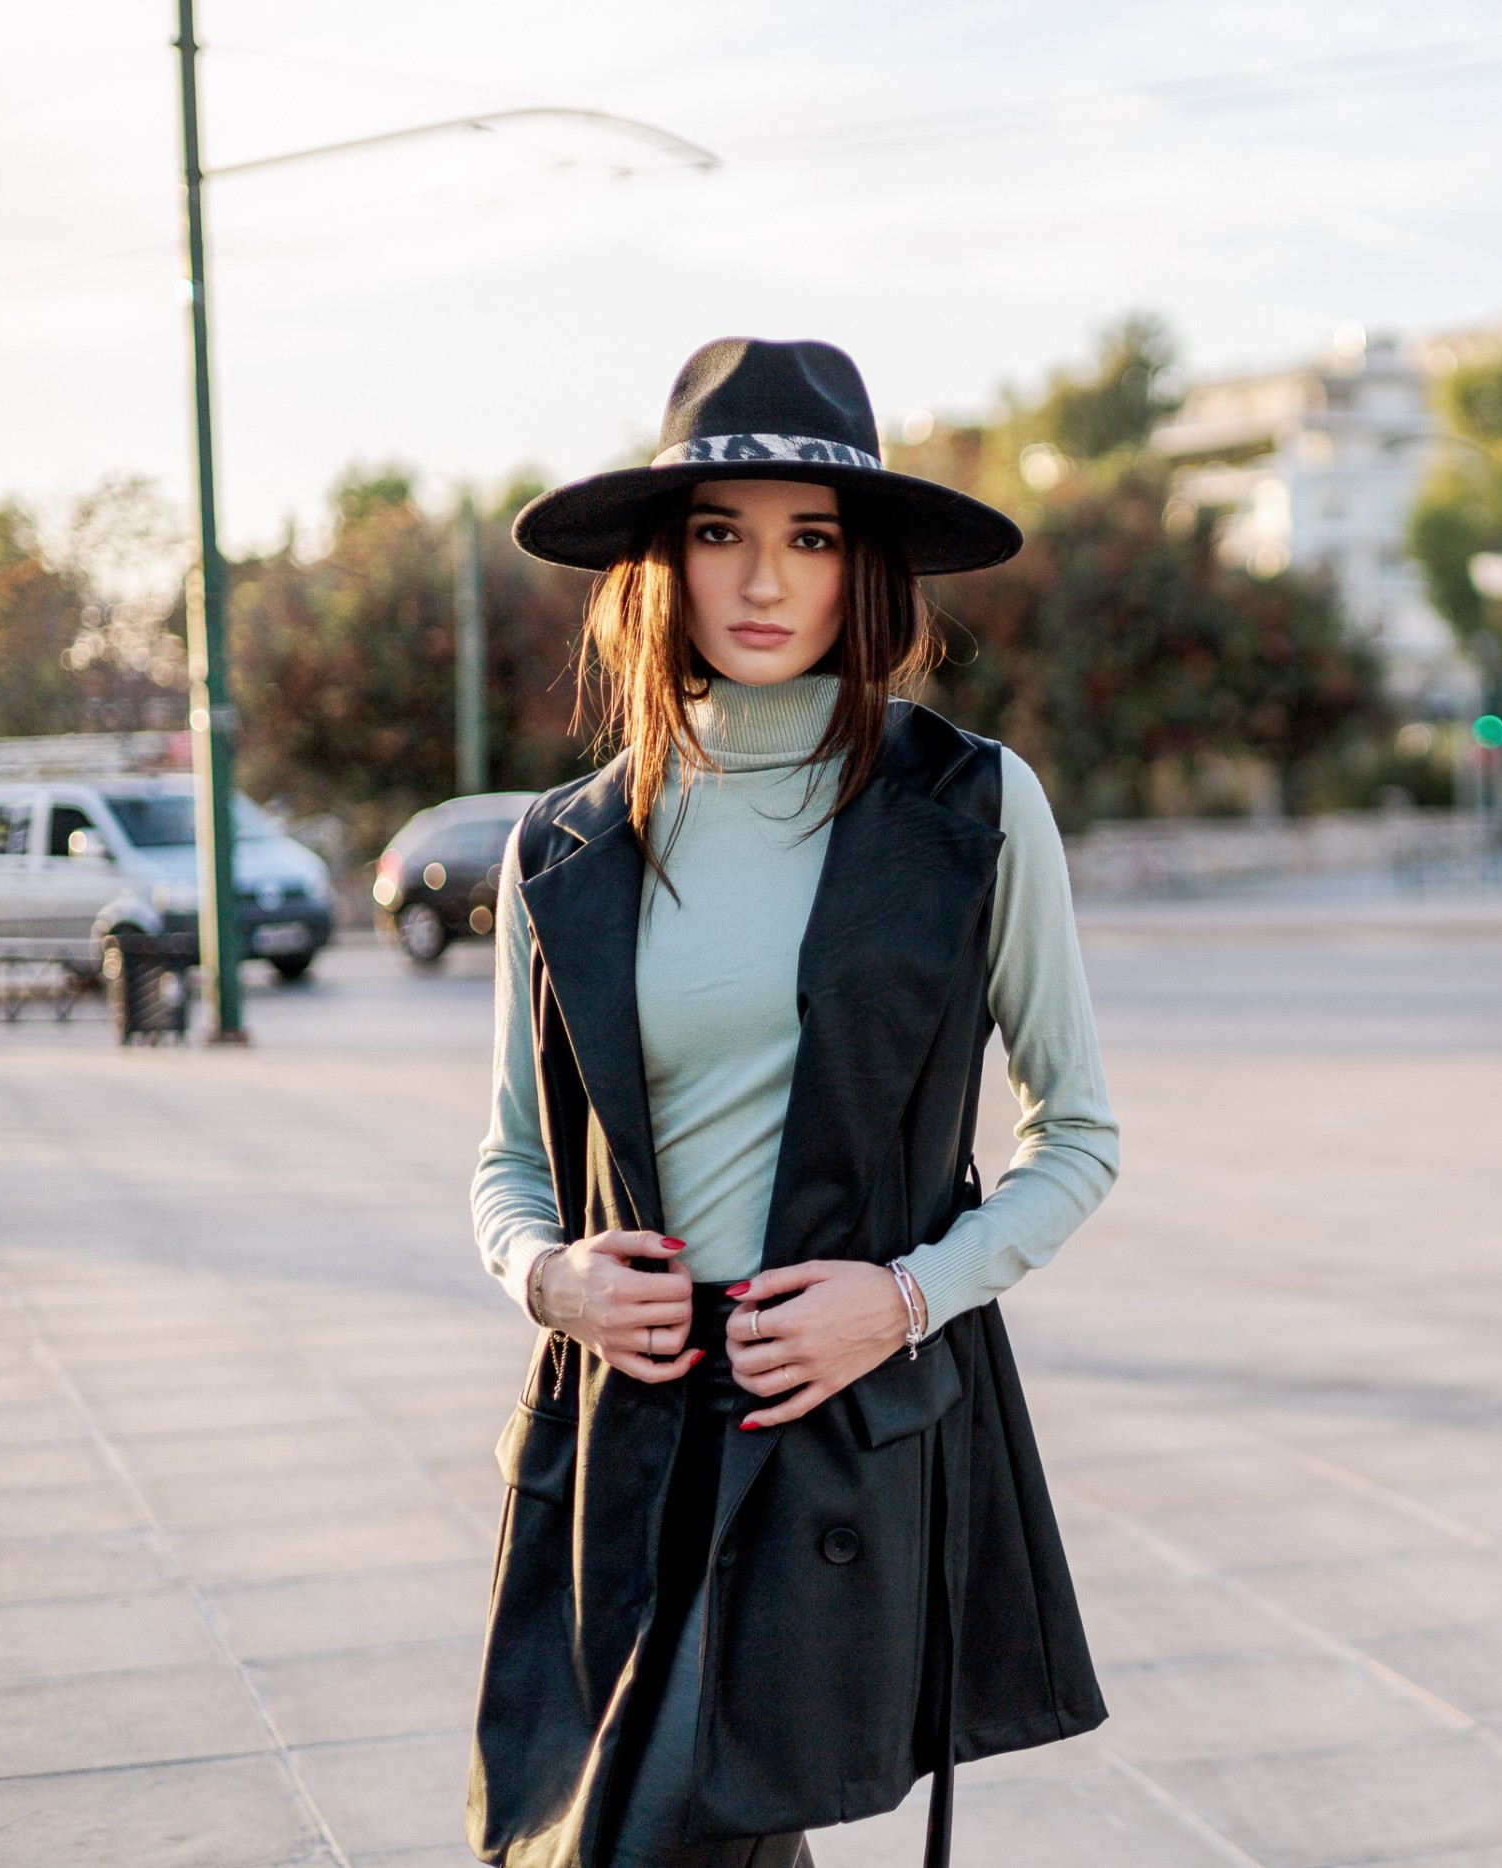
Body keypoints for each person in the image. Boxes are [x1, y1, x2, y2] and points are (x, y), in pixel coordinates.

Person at [467, 338, 1120, 1868]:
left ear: (861, 571)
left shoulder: (968, 804)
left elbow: (1076, 1135)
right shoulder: (562, 846)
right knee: (646, 1833)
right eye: (719, 532)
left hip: (829, 1421)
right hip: (620, 1449)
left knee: (666, 1833)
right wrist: (551, 1279)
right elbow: (508, 1163)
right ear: (663, 565)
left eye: (809, 537)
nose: (763, 577)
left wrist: (903, 1299)